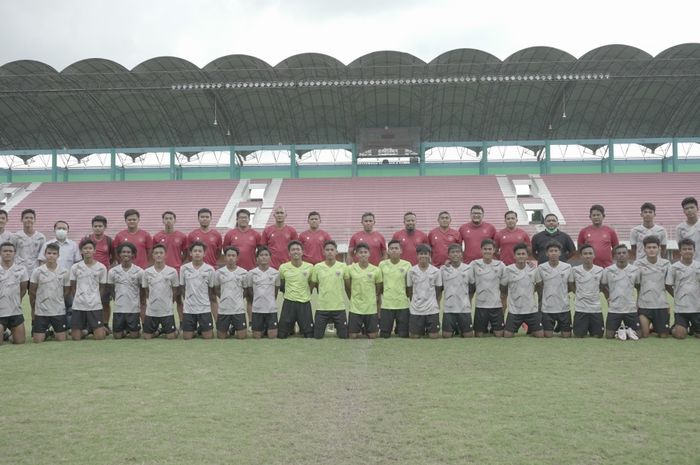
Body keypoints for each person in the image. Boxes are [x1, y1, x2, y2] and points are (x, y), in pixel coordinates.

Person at [37, 220, 81, 332]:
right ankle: (47, 328)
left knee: (69, 306)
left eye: (64, 228)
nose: (61, 230)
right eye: (59, 228)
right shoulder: (47, 244)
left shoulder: (73, 245)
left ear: (68, 231)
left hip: (68, 282)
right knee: (48, 304)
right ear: (54, 230)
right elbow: (42, 262)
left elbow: (77, 264)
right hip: (49, 282)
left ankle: (67, 327)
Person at [500, 243, 543, 338]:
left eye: (523, 254)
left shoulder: (533, 269)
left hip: (531, 310)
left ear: (527, 256)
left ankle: (531, 329)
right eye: (518, 254)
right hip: (515, 311)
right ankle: (525, 327)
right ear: (514, 256)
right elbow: (503, 287)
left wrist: (531, 290)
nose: (521, 256)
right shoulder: (508, 270)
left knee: (540, 335)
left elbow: (540, 285)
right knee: (507, 335)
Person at [29, 243, 70, 343]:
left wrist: (58, 300)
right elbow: (32, 290)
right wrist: (38, 303)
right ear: (45, 254)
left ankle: (54, 330)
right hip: (42, 311)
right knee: (38, 341)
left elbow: (67, 290)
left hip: (58, 310)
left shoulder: (64, 271)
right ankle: (47, 332)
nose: (51, 255)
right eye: (49, 253)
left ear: (58, 255)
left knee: (62, 339)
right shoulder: (37, 271)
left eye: (54, 253)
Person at [69, 239, 108, 341]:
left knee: (100, 337)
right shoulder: (75, 267)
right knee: (75, 338)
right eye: (85, 248)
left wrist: (95, 298)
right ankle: (87, 331)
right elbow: (73, 286)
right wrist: (79, 298)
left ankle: (99, 328)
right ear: (81, 251)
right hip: (79, 305)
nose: (87, 251)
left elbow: (102, 287)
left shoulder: (101, 268)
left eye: (90, 248)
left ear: (94, 250)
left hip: (94, 305)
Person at [601, 245, 641, 340]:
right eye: (618, 253)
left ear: (628, 255)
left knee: (639, 335)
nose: (621, 255)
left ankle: (625, 331)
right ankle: (621, 331)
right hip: (614, 308)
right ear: (614, 256)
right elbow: (603, 286)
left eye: (624, 253)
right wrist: (608, 297)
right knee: (609, 336)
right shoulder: (608, 270)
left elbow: (638, 287)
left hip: (630, 308)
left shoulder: (635, 270)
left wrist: (638, 301)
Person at [311, 240, 348, 339]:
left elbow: (347, 285)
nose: (330, 252)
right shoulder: (317, 267)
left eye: (332, 249)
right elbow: (314, 284)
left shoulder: (343, 266)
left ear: (336, 252)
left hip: (339, 307)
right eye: (327, 250)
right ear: (323, 252)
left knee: (344, 336)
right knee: (317, 336)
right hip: (322, 308)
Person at [180, 241, 217, 340]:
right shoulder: (184, 268)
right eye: (195, 251)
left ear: (204, 253)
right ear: (190, 253)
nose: (197, 253)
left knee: (208, 337)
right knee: (187, 337)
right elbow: (182, 287)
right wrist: (188, 300)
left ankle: (201, 328)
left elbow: (211, 290)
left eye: (200, 251)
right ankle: (194, 329)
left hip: (204, 308)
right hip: (189, 309)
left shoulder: (210, 269)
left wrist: (204, 300)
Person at [141, 244, 180, 340]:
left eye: (161, 253)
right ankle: (159, 331)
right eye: (156, 253)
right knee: (146, 337)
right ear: (152, 255)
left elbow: (175, 291)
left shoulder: (172, 271)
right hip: (152, 311)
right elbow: (146, 290)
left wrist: (169, 302)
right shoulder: (147, 272)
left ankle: (173, 330)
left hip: (166, 310)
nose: (158, 255)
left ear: (165, 255)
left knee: (171, 337)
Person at [468, 239, 506, 337]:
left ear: (494, 250)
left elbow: (503, 287)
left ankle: (493, 327)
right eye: (485, 249)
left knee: (499, 334)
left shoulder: (501, 265)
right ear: (481, 250)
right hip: (481, 306)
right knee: (478, 335)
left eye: (490, 249)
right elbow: (470, 282)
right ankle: (485, 327)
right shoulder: (474, 264)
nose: (487, 251)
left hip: (496, 306)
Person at [634, 235, 670, 338]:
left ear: (659, 248)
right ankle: (652, 326)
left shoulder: (666, 264)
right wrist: (637, 303)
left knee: (663, 336)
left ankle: (658, 326)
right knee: (644, 334)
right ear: (644, 249)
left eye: (654, 247)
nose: (651, 250)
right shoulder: (638, 264)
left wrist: (668, 304)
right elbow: (637, 286)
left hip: (661, 304)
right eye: (649, 247)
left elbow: (668, 285)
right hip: (644, 305)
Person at [534, 241, 572, 338]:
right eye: (551, 251)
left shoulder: (567, 267)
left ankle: (560, 325)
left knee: (566, 336)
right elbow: (539, 285)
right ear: (547, 253)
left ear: (560, 253)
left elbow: (570, 285)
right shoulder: (541, 268)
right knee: (548, 335)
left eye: (556, 250)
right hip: (547, 308)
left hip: (563, 307)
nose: (553, 253)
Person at [344, 242, 382, 338]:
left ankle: (365, 328)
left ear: (369, 254)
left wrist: (374, 299)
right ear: (356, 254)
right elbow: (347, 286)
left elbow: (378, 288)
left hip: (370, 308)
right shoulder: (350, 269)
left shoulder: (376, 270)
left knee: (373, 336)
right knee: (352, 336)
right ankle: (359, 328)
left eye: (365, 252)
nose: (363, 254)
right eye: (360, 252)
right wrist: (352, 297)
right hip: (355, 307)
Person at [107, 242, 145, 339]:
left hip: (133, 309)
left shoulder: (139, 271)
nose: (126, 254)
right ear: (119, 254)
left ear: (133, 254)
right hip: (119, 309)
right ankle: (124, 330)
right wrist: (117, 299)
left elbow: (142, 289)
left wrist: (139, 301)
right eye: (123, 252)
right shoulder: (113, 271)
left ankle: (132, 330)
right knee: (117, 336)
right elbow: (111, 288)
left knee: (134, 336)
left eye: (128, 252)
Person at [278, 241, 314, 338]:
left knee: (309, 335)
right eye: (293, 250)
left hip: (304, 303)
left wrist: (305, 293)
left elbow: (311, 283)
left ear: (302, 252)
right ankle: (289, 328)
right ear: (289, 253)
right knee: (281, 335)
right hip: (289, 303)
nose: (295, 252)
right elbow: (282, 283)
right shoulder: (283, 267)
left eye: (298, 249)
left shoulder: (310, 267)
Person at [665, 238, 700, 339]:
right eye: (684, 249)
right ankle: (674, 328)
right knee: (680, 335)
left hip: (697, 307)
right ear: (680, 251)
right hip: (681, 308)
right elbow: (668, 285)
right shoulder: (674, 267)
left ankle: (693, 328)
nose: (687, 251)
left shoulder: (698, 265)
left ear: (694, 250)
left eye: (690, 249)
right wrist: (676, 296)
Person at [568, 244, 605, 338]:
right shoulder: (574, 270)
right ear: (580, 256)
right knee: (578, 335)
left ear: (594, 255)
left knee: (598, 335)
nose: (587, 256)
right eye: (585, 254)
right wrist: (578, 293)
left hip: (595, 308)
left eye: (590, 253)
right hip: (581, 308)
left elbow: (602, 286)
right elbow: (571, 284)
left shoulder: (600, 270)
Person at [378, 239, 412, 338]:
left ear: (401, 250)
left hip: (402, 304)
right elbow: (380, 284)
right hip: (387, 305)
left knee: (404, 335)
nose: (394, 250)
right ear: (388, 251)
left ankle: (400, 327)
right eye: (391, 248)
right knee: (384, 335)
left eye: (396, 248)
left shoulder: (407, 265)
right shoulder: (382, 264)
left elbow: (408, 285)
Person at [407, 244, 442, 338]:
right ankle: (420, 329)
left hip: (432, 309)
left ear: (429, 255)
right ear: (417, 255)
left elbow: (438, 290)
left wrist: (433, 301)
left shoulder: (436, 271)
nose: (423, 256)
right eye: (421, 254)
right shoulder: (411, 271)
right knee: (414, 336)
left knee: (434, 336)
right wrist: (415, 301)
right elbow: (409, 290)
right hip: (416, 309)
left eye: (426, 254)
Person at [245, 246, 280, 339]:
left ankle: (267, 327)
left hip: (271, 309)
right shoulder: (251, 273)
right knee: (257, 337)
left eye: (266, 255)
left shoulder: (276, 273)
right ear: (257, 258)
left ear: (270, 258)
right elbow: (249, 291)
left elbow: (276, 291)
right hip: (257, 310)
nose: (264, 257)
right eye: (261, 255)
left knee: (272, 336)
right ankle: (261, 327)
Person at [215, 246, 249, 339]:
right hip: (224, 309)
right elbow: (216, 289)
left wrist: (238, 298)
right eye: (228, 255)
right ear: (225, 257)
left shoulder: (244, 272)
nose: (231, 257)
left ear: (237, 258)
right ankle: (229, 327)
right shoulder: (218, 272)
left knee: (242, 337)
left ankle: (234, 326)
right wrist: (224, 297)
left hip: (238, 309)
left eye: (233, 255)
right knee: (221, 337)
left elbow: (246, 290)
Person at [87, 215, 114, 329]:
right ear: (92, 227)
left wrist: (105, 267)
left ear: (105, 227)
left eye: (100, 226)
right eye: (95, 226)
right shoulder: (87, 239)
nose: (98, 228)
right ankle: (90, 325)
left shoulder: (108, 240)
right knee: (89, 301)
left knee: (105, 301)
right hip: (89, 275)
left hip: (104, 276)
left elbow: (113, 257)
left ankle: (105, 324)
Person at [440, 244, 472, 338]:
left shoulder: (468, 268)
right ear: (448, 255)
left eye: (458, 252)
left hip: (464, 308)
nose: (455, 254)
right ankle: (455, 329)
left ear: (461, 254)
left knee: (468, 335)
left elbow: (472, 286)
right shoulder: (443, 269)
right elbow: (439, 287)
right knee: (446, 336)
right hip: (449, 309)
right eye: (452, 252)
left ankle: (459, 329)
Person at [0, 242, 28, 345]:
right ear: (0, 253)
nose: (8, 253)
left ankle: (8, 335)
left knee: (20, 342)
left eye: (10, 251)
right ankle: (4, 333)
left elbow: (23, 289)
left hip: (15, 311)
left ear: (14, 253)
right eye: (5, 251)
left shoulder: (21, 269)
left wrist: (15, 301)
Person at [13, 208, 45, 279]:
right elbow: (12, 253)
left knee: (33, 290)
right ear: (21, 220)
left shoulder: (41, 237)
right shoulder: (16, 236)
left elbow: (42, 256)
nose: (29, 220)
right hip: (19, 270)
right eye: (26, 218)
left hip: (35, 270)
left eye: (31, 218)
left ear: (35, 220)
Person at [676, 196, 700, 261]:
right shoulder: (680, 228)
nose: (689, 210)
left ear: (697, 208)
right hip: (687, 263)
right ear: (683, 211)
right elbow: (680, 247)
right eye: (686, 208)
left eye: (692, 207)